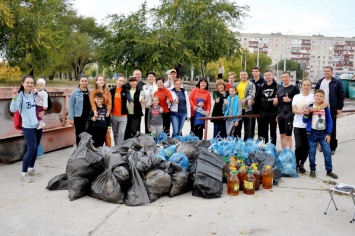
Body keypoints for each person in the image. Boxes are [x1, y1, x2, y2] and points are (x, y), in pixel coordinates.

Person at [10, 76, 44, 183]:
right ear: (23, 83)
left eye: (31, 83)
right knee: (31, 148)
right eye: (27, 83)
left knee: (35, 148)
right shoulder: (20, 96)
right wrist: (15, 96)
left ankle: (31, 169)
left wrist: (44, 111)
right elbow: (13, 109)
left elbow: (44, 104)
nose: (30, 84)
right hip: (28, 126)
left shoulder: (34, 94)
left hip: (37, 125)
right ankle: (24, 174)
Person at [303, 89, 338, 179]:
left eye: (320, 96)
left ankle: (329, 170)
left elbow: (330, 121)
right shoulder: (310, 107)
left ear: (323, 98)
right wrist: (306, 114)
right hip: (312, 133)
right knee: (312, 152)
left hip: (323, 134)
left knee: (327, 152)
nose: (318, 97)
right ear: (314, 97)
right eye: (317, 95)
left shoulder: (325, 108)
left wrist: (329, 134)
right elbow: (304, 120)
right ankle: (312, 169)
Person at [315, 66, 345, 155]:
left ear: (332, 72)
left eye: (328, 71)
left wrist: (339, 108)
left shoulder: (337, 82)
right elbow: (316, 94)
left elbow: (341, 95)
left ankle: (332, 147)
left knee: (331, 128)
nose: (326, 72)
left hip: (331, 109)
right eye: (325, 71)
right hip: (320, 109)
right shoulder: (320, 82)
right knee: (321, 127)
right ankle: (322, 146)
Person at [273, 71, 300, 149]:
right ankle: (284, 153)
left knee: (288, 136)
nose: (284, 79)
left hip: (290, 115)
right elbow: (278, 104)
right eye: (283, 77)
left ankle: (289, 154)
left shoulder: (295, 88)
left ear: (290, 78)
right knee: (282, 135)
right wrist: (275, 103)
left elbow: (299, 102)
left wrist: (290, 100)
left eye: (286, 77)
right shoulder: (279, 89)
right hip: (281, 115)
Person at [253, 70, 279, 145]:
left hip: (273, 112)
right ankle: (264, 146)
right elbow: (257, 99)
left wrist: (278, 112)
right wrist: (255, 110)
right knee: (263, 131)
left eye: (269, 75)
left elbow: (280, 100)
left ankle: (272, 146)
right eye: (266, 75)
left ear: (273, 76)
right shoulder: (262, 86)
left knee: (273, 131)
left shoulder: (277, 86)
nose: (267, 76)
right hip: (263, 112)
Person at [89, 75, 112, 146]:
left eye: (103, 80)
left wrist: (108, 111)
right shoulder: (93, 92)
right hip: (97, 115)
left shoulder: (107, 92)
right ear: (96, 81)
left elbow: (109, 103)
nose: (102, 81)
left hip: (106, 115)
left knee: (107, 135)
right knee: (96, 137)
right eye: (100, 80)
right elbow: (92, 102)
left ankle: (107, 152)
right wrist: (95, 111)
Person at [110, 75, 132, 146]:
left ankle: (119, 148)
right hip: (114, 115)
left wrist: (131, 101)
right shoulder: (111, 91)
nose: (121, 82)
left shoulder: (125, 91)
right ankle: (116, 147)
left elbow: (128, 96)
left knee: (121, 132)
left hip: (123, 116)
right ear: (116, 81)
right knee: (115, 133)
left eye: (123, 81)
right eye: (120, 81)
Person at [69, 75, 91, 146]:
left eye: (85, 81)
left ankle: (87, 151)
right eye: (82, 81)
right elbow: (71, 106)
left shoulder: (90, 93)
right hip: (79, 117)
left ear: (87, 82)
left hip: (89, 117)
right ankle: (79, 151)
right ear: (79, 82)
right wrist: (71, 118)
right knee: (79, 135)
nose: (84, 82)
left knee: (88, 134)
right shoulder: (74, 93)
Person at [234, 70, 256, 140]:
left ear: (247, 75)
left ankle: (247, 143)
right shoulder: (236, 85)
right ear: (239, 76)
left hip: (247, 109)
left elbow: (252, 94)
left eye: (244, 74)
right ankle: (237, 142)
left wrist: (245, 100)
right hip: (238, 109)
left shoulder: (251, 84)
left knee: (248, 128)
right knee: (237, 128)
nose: (243, 76)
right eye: (241, 75)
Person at [250, 66, 265, 139]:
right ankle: (251, 141)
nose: (255, 73)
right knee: (251, 125)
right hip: (251, 107)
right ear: (252, 73)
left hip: (260, 107)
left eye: (256, 71)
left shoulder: (263, 82)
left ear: (259, 72)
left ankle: (260, 142)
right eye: (254, 71)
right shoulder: (250, 82)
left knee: (261, 125)